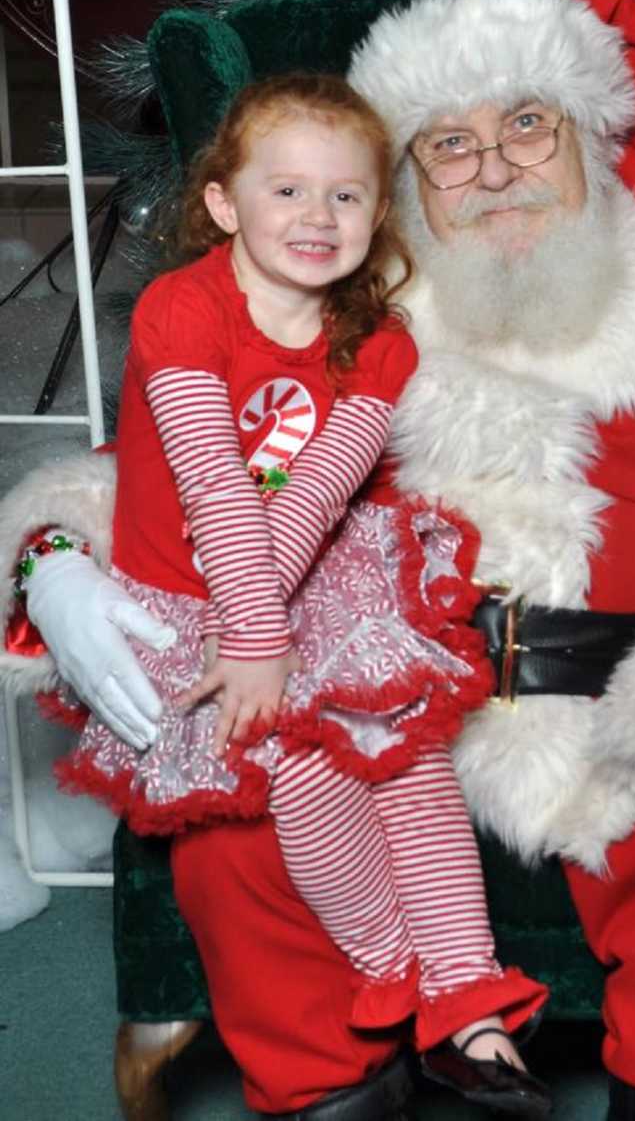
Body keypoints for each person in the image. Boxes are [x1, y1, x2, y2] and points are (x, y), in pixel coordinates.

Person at [0, 0, 635, 1121]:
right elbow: (174, 472)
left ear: (592, 138)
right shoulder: (336, 325)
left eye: (529, 122)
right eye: (449, 144)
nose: (497, 164)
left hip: (618, 695)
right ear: (406, 185)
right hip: (364, 693)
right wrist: (50, 562)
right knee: (243, 837)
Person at [9, 71, 549, 1118]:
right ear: (223, 203)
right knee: (299, 775)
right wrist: (254, 639)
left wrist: (285, 630)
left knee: (410, 766)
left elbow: (312, 495)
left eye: (346, 195)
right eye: (287, 191)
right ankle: (388, 959)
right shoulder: (186, 305)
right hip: (197, 602)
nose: (318, 217)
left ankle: (468, 998)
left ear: (376, 215)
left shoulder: (380, 340)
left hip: (326, 575)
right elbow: (215, 479)